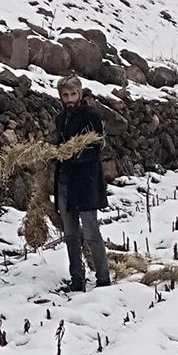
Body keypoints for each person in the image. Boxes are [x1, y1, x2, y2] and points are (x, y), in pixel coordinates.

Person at [53, 73, 111, 292]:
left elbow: (97, 147)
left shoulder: (90, 115)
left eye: (72, 94)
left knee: (91, 232)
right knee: (70, 235)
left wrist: (75, 154)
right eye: (65, 95)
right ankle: (76, 278)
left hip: (85, 183)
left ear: (79, 93)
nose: (69, 99)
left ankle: (103, 279)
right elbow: (58, 147)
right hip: (65, 183)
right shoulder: (60, 119)